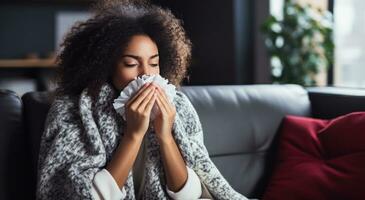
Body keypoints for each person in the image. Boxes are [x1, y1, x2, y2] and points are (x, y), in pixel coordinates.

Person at [36, 0, 248, 199]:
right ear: (106, 67)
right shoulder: (72, 111)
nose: (146, 74)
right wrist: (133, 135)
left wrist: (166, 136)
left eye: (154, 63)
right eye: (131, 64)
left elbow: (189, 196)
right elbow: (82, 195)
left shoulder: (179, 107)